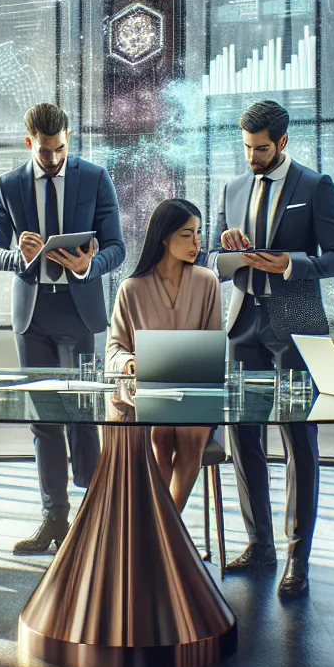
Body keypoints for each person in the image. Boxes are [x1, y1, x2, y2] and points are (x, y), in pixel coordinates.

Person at [208, 99, 334, 597]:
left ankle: (299, 557)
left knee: (299, 441)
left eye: (261, 148)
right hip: (244, 322)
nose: (252, 157)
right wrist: (224, 249)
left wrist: (287, 264)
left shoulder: (315, 186)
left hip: (298, 324)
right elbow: (211, 256)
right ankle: (260, 545)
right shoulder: (231, 188)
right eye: (247, 148)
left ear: (283, 142)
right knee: (242, 437)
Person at [0, 103, 126, 554]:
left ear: (69, 138)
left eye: (61, 148)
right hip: (32, 316)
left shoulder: (95, 177)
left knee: (83, 414)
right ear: (31, 143)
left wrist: (90, 265)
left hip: (79, 308)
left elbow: (118, 247)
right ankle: (54, 519)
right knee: (43, 420)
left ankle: (92, 514)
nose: (54, 158)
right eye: (46, 151)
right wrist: (19, 257)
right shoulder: (8, 185)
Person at [105, 199, 223, 510]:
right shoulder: (131, 289)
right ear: (164, 237)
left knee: (188, 433)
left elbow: (212, 344)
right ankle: (169, 531)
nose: (196, 242)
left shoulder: (207, 282)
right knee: (159, 434)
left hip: (195, 395)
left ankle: (164, 527)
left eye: (198, 233)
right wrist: (130, 362)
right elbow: (114, 349)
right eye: (187, 234)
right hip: (149, 396)